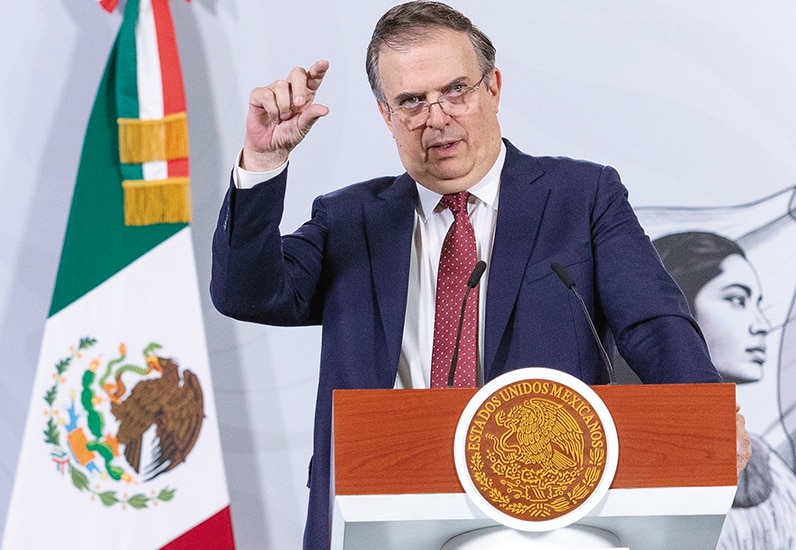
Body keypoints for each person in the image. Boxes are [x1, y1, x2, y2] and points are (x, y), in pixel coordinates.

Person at [208, 2, 749, 547]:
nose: (436, 117)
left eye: (456, 90)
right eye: (411, 101)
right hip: (380, 516)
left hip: (550, 521)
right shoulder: (349, 220)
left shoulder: (581, 199)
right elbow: (246, 293)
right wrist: (262, 159)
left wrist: (707, 414)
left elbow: (654, 324)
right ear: (384, 114)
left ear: (493, 87)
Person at [653, 232, 796, 549]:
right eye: (737, 299)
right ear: (677, 305)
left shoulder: (773, 465)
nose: (761, 324)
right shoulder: (605, 441)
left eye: (758, 304)